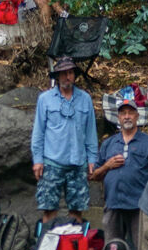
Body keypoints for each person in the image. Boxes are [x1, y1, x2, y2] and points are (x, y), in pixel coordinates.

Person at [90, 95, 148, 248]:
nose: (127, 116)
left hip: (140, 207)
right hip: (113, 204)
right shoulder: (109, 143)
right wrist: (107, 166)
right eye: (123, 113)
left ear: (137, 116)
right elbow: (94, 175)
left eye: (130, 112)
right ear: (118, 117)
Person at [31, 57, 98, 219]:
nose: (67, 77)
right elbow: (38, 132)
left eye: (70, 73)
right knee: (49, 210)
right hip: (51, 162)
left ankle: (74, 242)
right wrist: (38, 160)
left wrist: (92, 159)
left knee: (77, 211)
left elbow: (90, 132)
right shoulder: (45, 99)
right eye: (63, 73)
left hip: (78, 162)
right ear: (57, 76)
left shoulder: (85, 99)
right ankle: (48, 242)